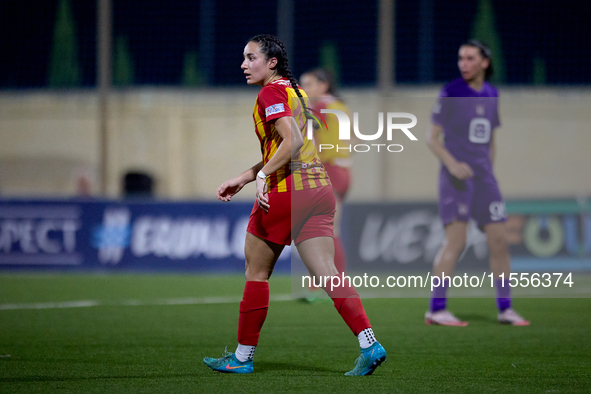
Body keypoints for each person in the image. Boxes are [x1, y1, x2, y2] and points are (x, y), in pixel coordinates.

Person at [203, 34, 386, 375]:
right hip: (318, 189)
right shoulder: (298, 93)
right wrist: (245, 176)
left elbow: (293, 141)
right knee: (329, 273)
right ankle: (369, 342)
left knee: (256, 272)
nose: (243, 64)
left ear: (271, 62)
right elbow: (293, 148)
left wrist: (263, 177)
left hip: (288, 191)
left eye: (251, 57)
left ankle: (241, 359)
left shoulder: (270, 92)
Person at [425, 39, 529, 327]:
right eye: (461, 58)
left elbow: (491, 139)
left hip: (484, 180)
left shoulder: (492, 94)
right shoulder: (451, 92)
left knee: (499, 241)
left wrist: (488, 172)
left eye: (470, 58)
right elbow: (431, 138)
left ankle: (505, 308)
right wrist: (452, 164)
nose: (464, 64)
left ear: (485, 62)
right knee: (456, 242)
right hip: (456, 179)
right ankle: (436, 308)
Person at [300, 69, 351, 275]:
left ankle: (326, 283)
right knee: (328, 230)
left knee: (322, 232)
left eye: (308, 84)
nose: (303, 89)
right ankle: (334, 281)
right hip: (342, 171)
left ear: (323, 86)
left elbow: (312, 143)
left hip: (328, 171)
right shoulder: (339, 106)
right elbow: (353, 139)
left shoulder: (319, 107)